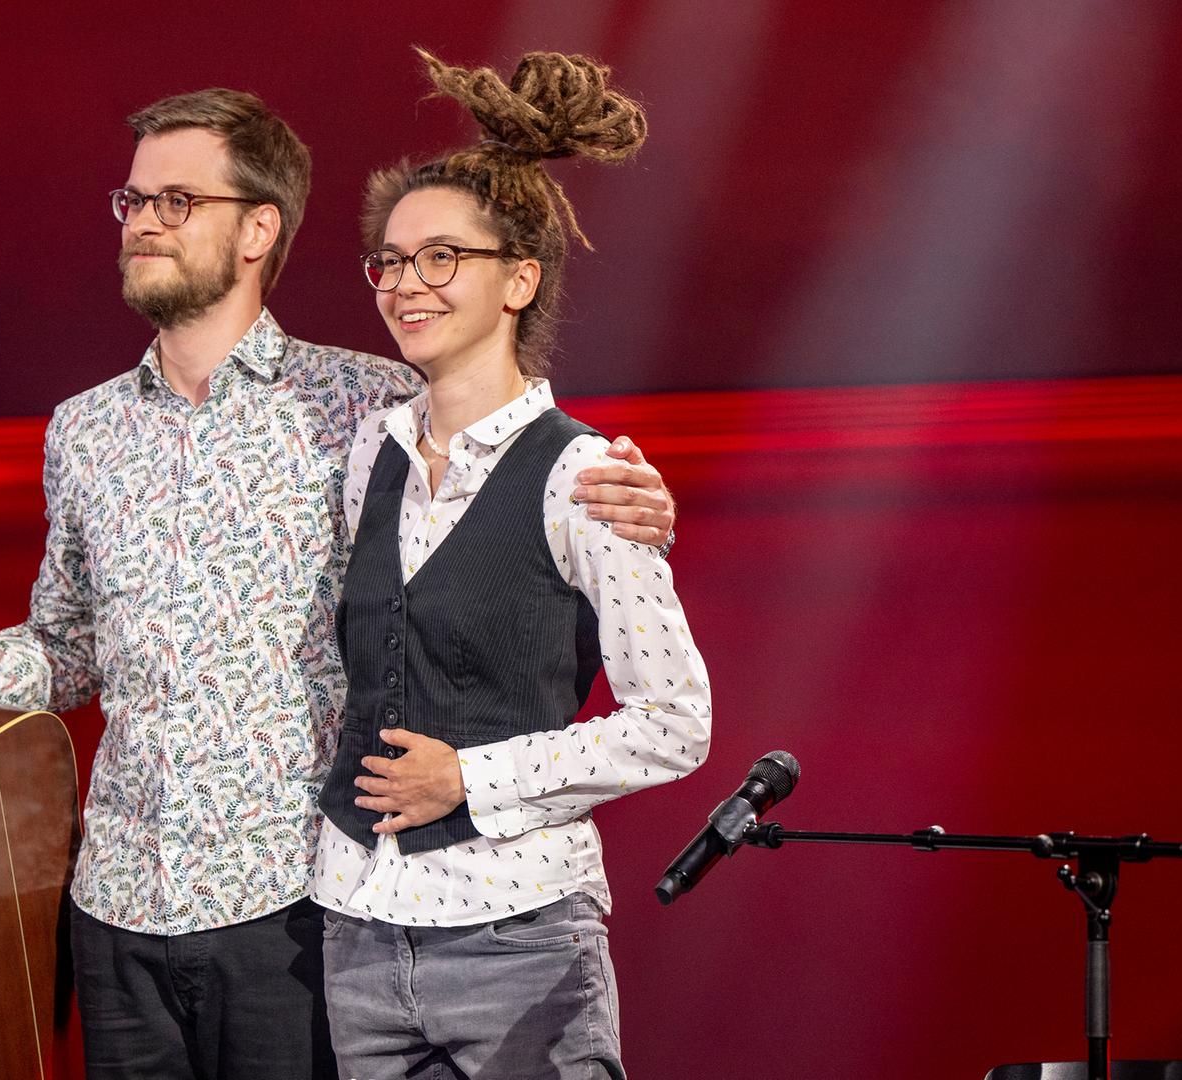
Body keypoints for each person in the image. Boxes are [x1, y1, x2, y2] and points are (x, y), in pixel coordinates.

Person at [0, 87, 677, 1080]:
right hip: (116, 906)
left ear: (259, 229)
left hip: (296, 903)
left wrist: (632, 501)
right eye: (132, 203)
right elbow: (67, 642)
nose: (145, 224)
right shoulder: (81, 429)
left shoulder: (365, 404)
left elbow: (502, 468)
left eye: (176, 200)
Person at [312, 49, 711, 1080]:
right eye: (391, 262)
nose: (407, 284)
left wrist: (470, 778)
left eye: (442, 257)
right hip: (358, 930)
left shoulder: (582, 475)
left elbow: (677, 723)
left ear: (519, 280)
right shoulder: (374, 452)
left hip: (517, 938)